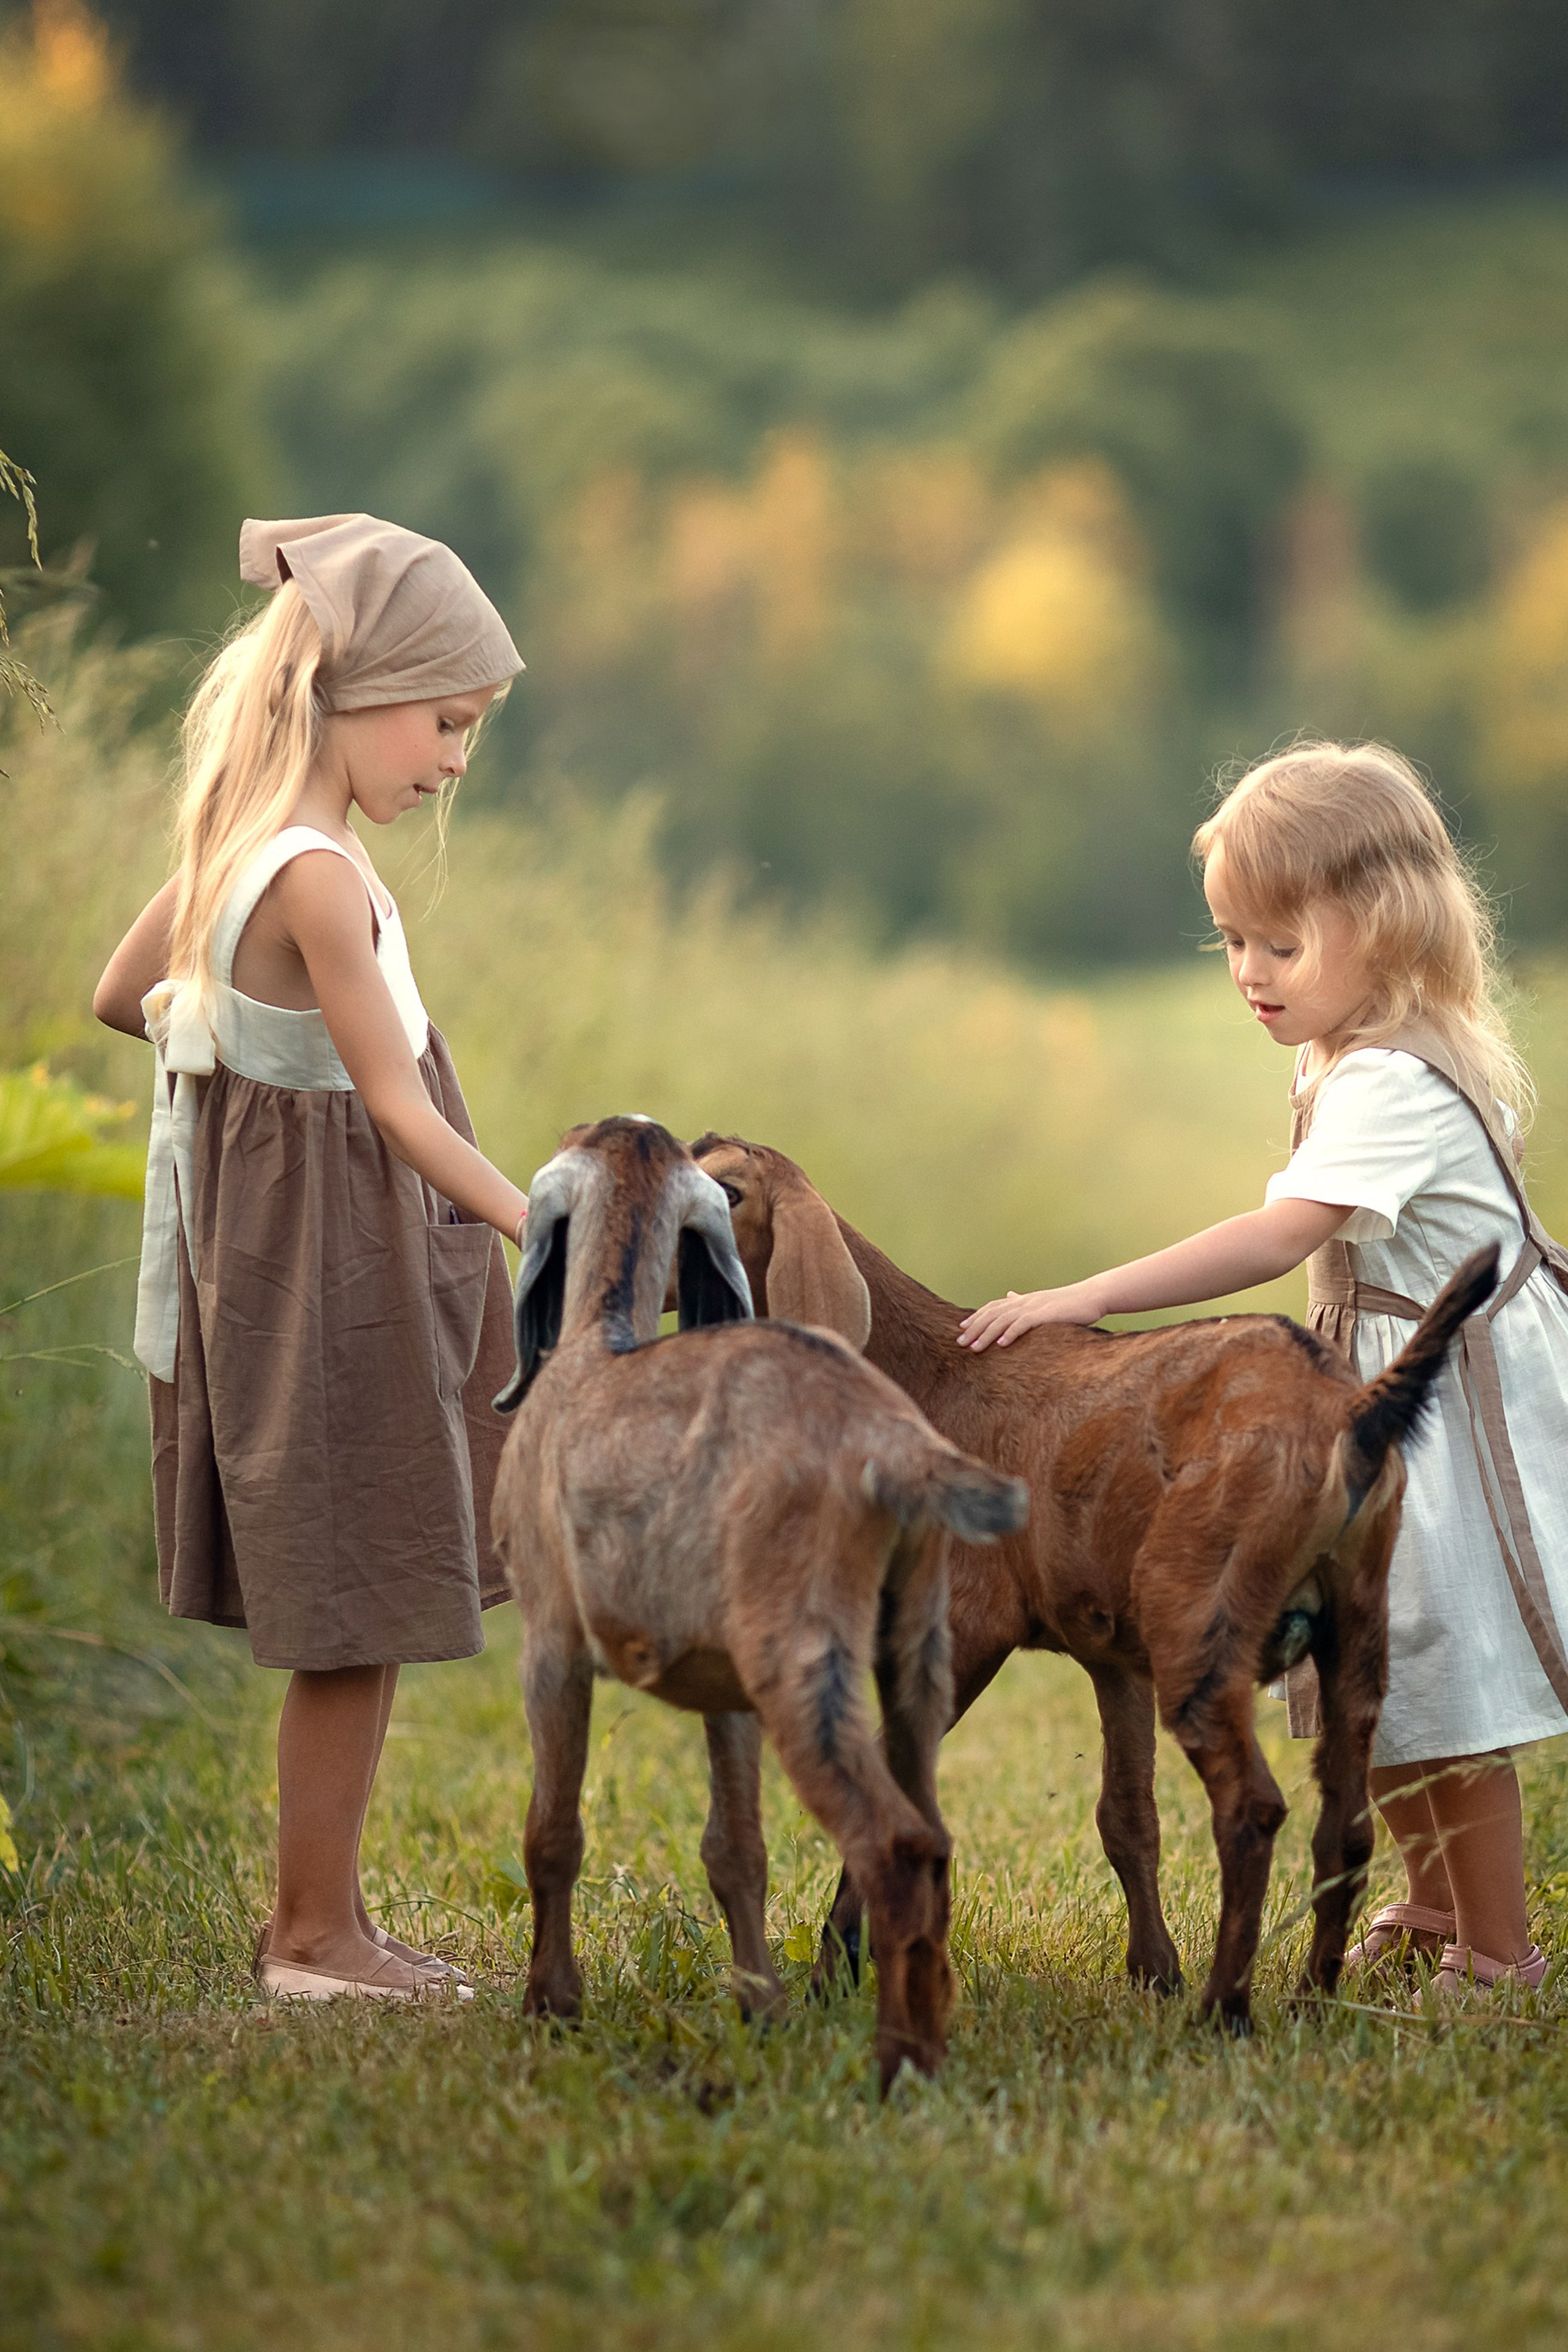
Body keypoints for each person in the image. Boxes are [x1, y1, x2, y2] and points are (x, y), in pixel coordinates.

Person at [959, 741, 1568, 1997]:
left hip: (1449, 1407)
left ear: (1385, 927)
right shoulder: (1359, 1048)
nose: (1247, 973)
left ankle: (1499, 1953)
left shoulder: (1390, 1078)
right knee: (1379, 1664)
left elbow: (1277, 1235)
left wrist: (1082, 1297)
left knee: (1435, 1674)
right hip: (1393, 1390)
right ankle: (1436, 1901)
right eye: (1229, 941)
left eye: (1276, 946)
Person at [95, 513, 532, 2002]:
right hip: (336, 1267)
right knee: (353, 1605)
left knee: (366, 1587)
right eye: (446, 723)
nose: (454, 760)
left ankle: (329, 1921)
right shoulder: (321, 878)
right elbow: (401, 1111)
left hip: (280, 1246)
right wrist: (554, 1230)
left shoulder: (238, 847)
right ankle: (313, 1939)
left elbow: (118, 994)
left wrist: (239, 1076)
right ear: (352, 690)